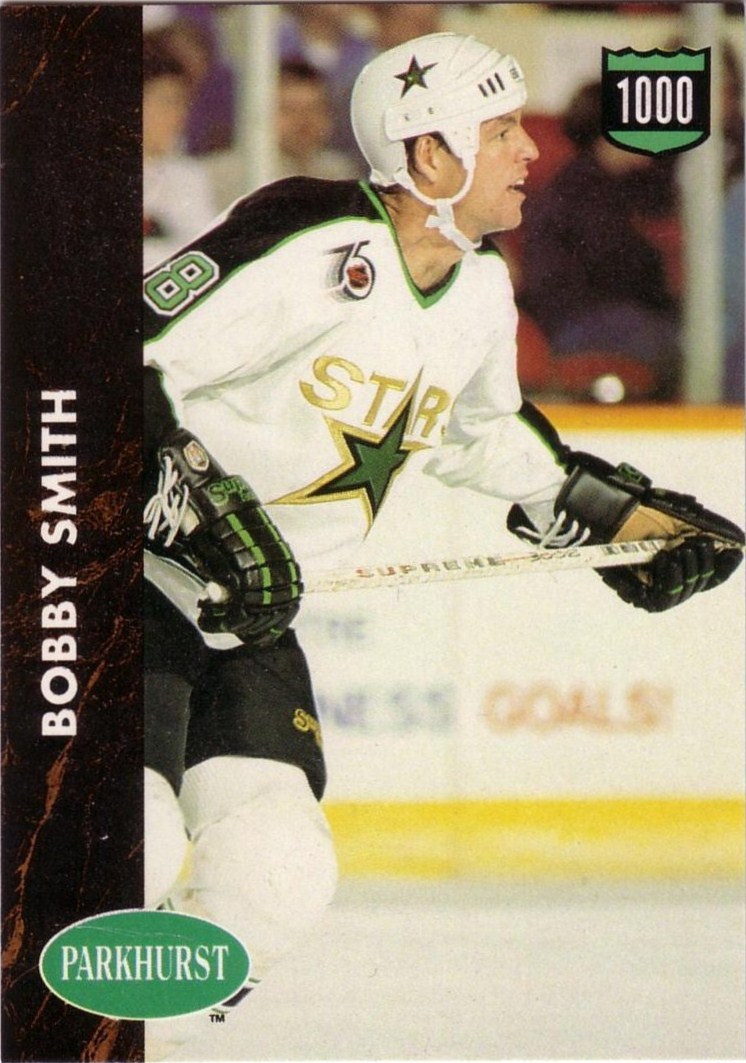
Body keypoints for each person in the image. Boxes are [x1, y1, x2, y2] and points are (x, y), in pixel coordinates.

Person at [141, 31, 743, 1058]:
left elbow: (487, 435)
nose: (528, 149)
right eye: (500, 129)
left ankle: (135, 1034)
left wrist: (629, 523)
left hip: (248, 619)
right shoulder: (312, 232)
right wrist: (196, 501)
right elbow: (121, 356)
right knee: (129, 841)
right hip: (119, 587)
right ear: (430, 153)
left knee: (278, 873)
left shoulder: (476, 288)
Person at [518, 80, 681, 401]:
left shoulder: (631, 185)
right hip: (578, 323)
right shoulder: (577, 192)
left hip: (613, 317)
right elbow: (624, 273)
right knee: (682, 343)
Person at [143, 38, 218, 271]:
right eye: (167, 102)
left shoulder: (188, 176)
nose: (178, 115)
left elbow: (203, 254)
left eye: (182, 104)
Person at [274, 59, 360, 181]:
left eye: (314, 109)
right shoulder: (250, 173)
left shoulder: (340, 172)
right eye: (289, 109)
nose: (304, 120)